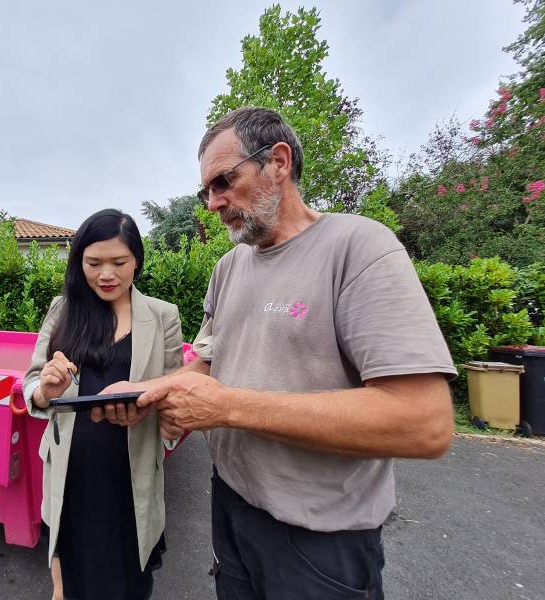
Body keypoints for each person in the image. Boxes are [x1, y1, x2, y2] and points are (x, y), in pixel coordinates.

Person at [107, 107, 457, 599]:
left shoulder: (359, 248)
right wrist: (146, 393)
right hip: (231, 503)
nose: (212, 203)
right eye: (205, 190)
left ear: (278, 161)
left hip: (319, 539)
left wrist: (225, 407)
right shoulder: (229, 267)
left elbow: (424, 422)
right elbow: (207, 361)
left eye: (223, 182)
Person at [23, 208, 183, 600]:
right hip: (70, 472)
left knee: (125, 579)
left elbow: (176, 392)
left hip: (129, 476)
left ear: (137, 262)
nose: (106, 274)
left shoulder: (163, 316)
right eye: (93, 263)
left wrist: (153, 410)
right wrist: (47, 390)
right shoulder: (64, 309)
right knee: (69, 576)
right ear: (80, 262)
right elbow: (33, 383)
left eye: (119, 262)